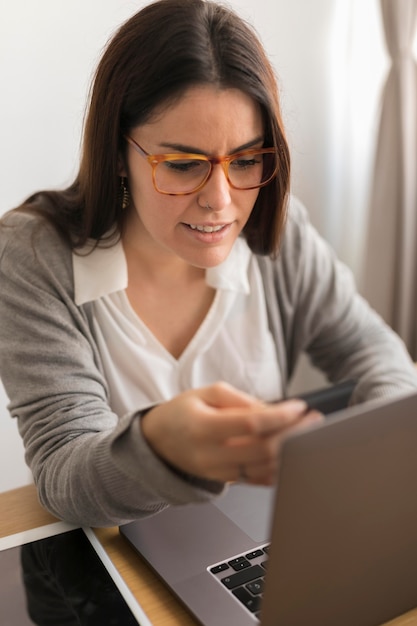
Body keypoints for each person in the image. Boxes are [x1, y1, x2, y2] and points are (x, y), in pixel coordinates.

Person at [0, 0, 416, 528]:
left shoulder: (279, 232)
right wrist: (158, 447)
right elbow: (65, 475)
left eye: (245, 160)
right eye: (183, 165)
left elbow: (373, 352)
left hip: (255, 537)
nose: (220, 199)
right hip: (118, 561)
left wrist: (377, 459)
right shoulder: (34, 256)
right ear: (117, 155)